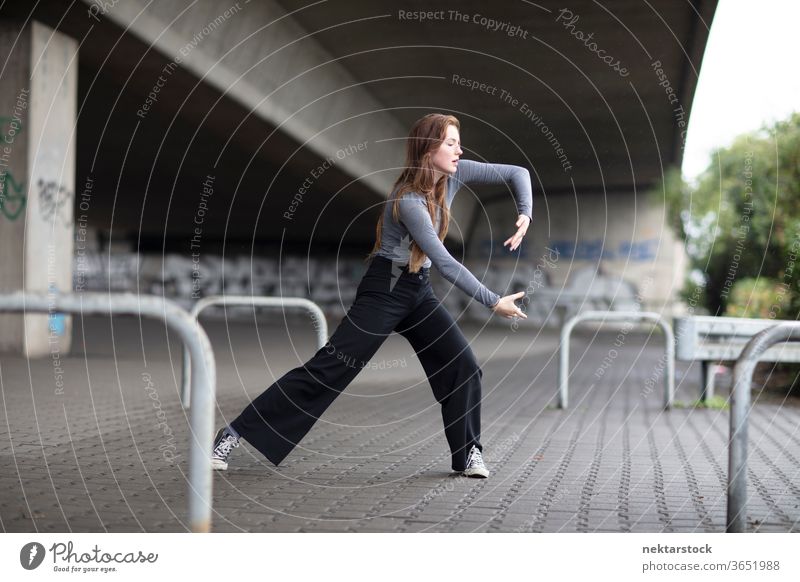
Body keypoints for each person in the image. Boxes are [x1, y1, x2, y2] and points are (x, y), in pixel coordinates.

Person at [212, 113, 532, 478]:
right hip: (384, 291)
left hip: (418, 291)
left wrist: (525, 214)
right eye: (450, 143)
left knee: (462, 366)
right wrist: (493, 300)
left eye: (459, 142)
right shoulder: (409, 200)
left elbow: (517, 173)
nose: (460, 150)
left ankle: (468, 453)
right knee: (329, 369)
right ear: (428, 150)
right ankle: (233, 434)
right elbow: (444, 262)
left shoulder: (456, 175)